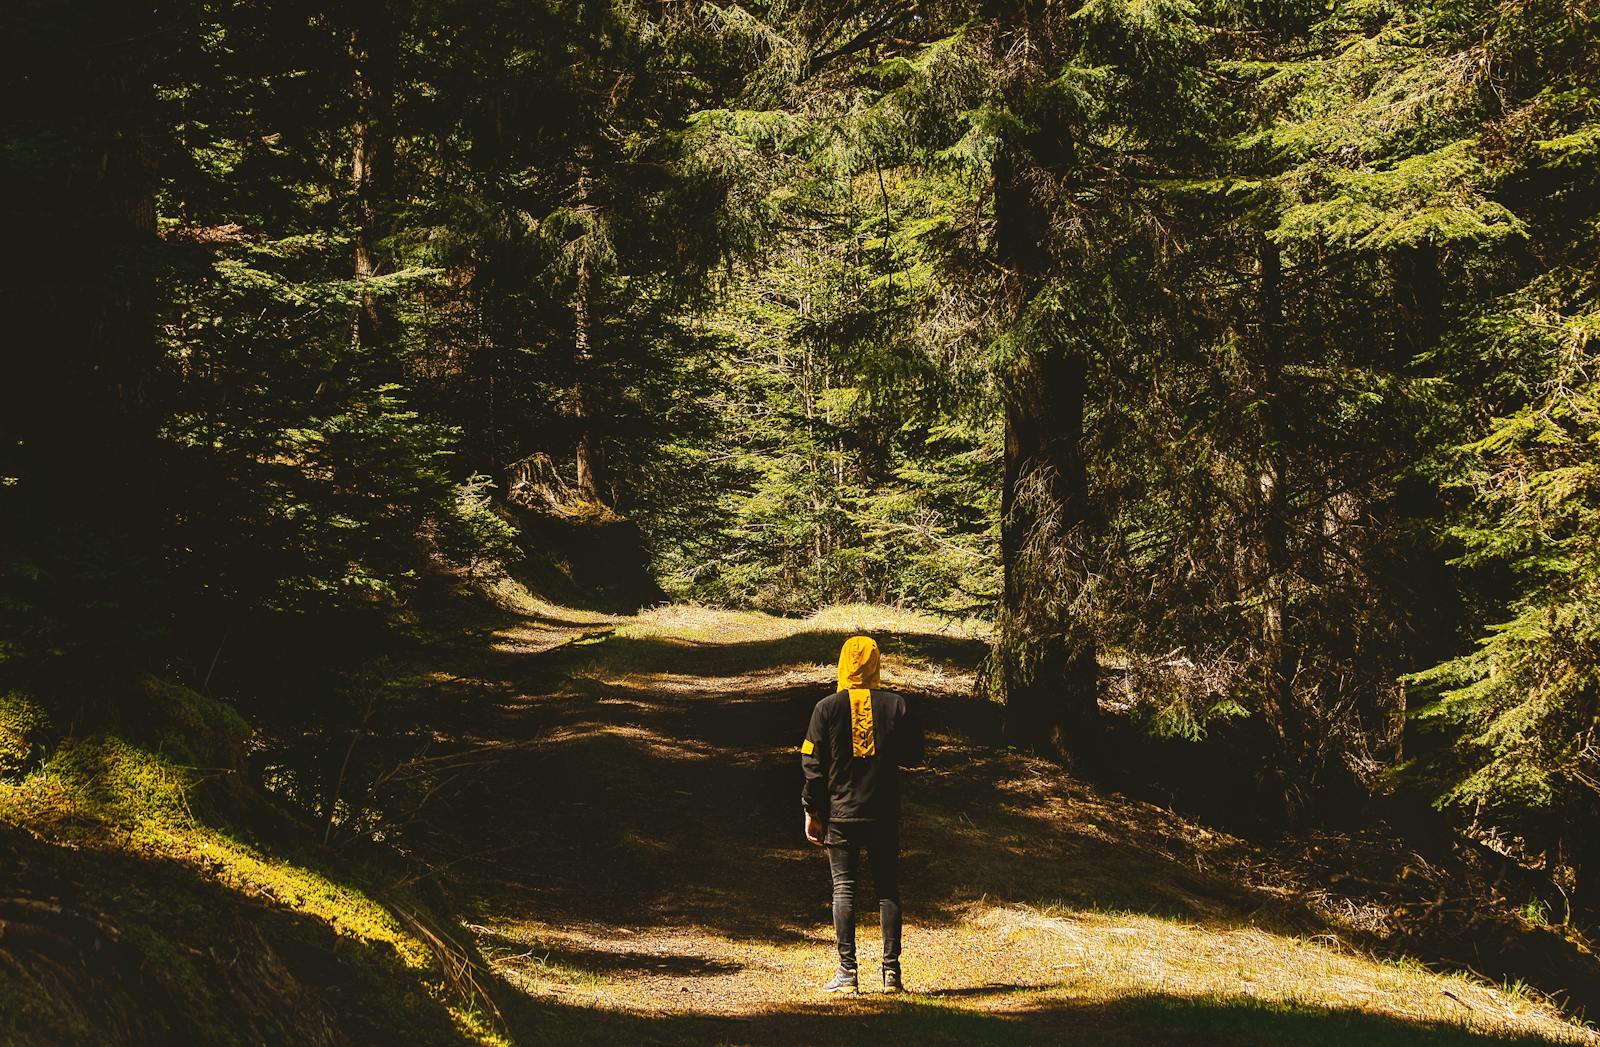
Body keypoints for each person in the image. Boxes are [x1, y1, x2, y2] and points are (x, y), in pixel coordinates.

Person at [800, 635, 923, 994]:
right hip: (884, 814)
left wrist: (812, 809)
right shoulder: (896, 706)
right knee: (888, 889)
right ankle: (891, 974)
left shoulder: (825, 708)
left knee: (844, 890)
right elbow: (915, 755)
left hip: (841, 814)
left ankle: (847, 973)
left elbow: (812, 766)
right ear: (875, 663)